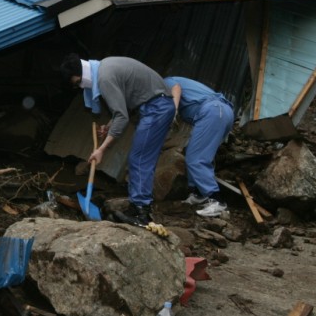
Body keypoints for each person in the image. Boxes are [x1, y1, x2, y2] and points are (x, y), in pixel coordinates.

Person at [59, 54, 176, 227]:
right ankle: (140, 207)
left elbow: (122, 117)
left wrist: (102, 149)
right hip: (157, 105)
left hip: (156, 108)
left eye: (77, 83)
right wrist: (109, 125)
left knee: (140, 158)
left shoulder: (104, 78)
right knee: (141, 158)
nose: (80, 87)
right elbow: (120, 110)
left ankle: (142, 213)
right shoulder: (103, 67)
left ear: (81, 75)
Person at [165, 76, 233, 218]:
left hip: (214, 111)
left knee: (196, 158)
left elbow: (175, 88)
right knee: (194, 152)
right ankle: (198, 193)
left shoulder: (165, 81)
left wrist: (173, 112)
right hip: (221, 112)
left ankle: (217, 200)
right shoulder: (182, 83)